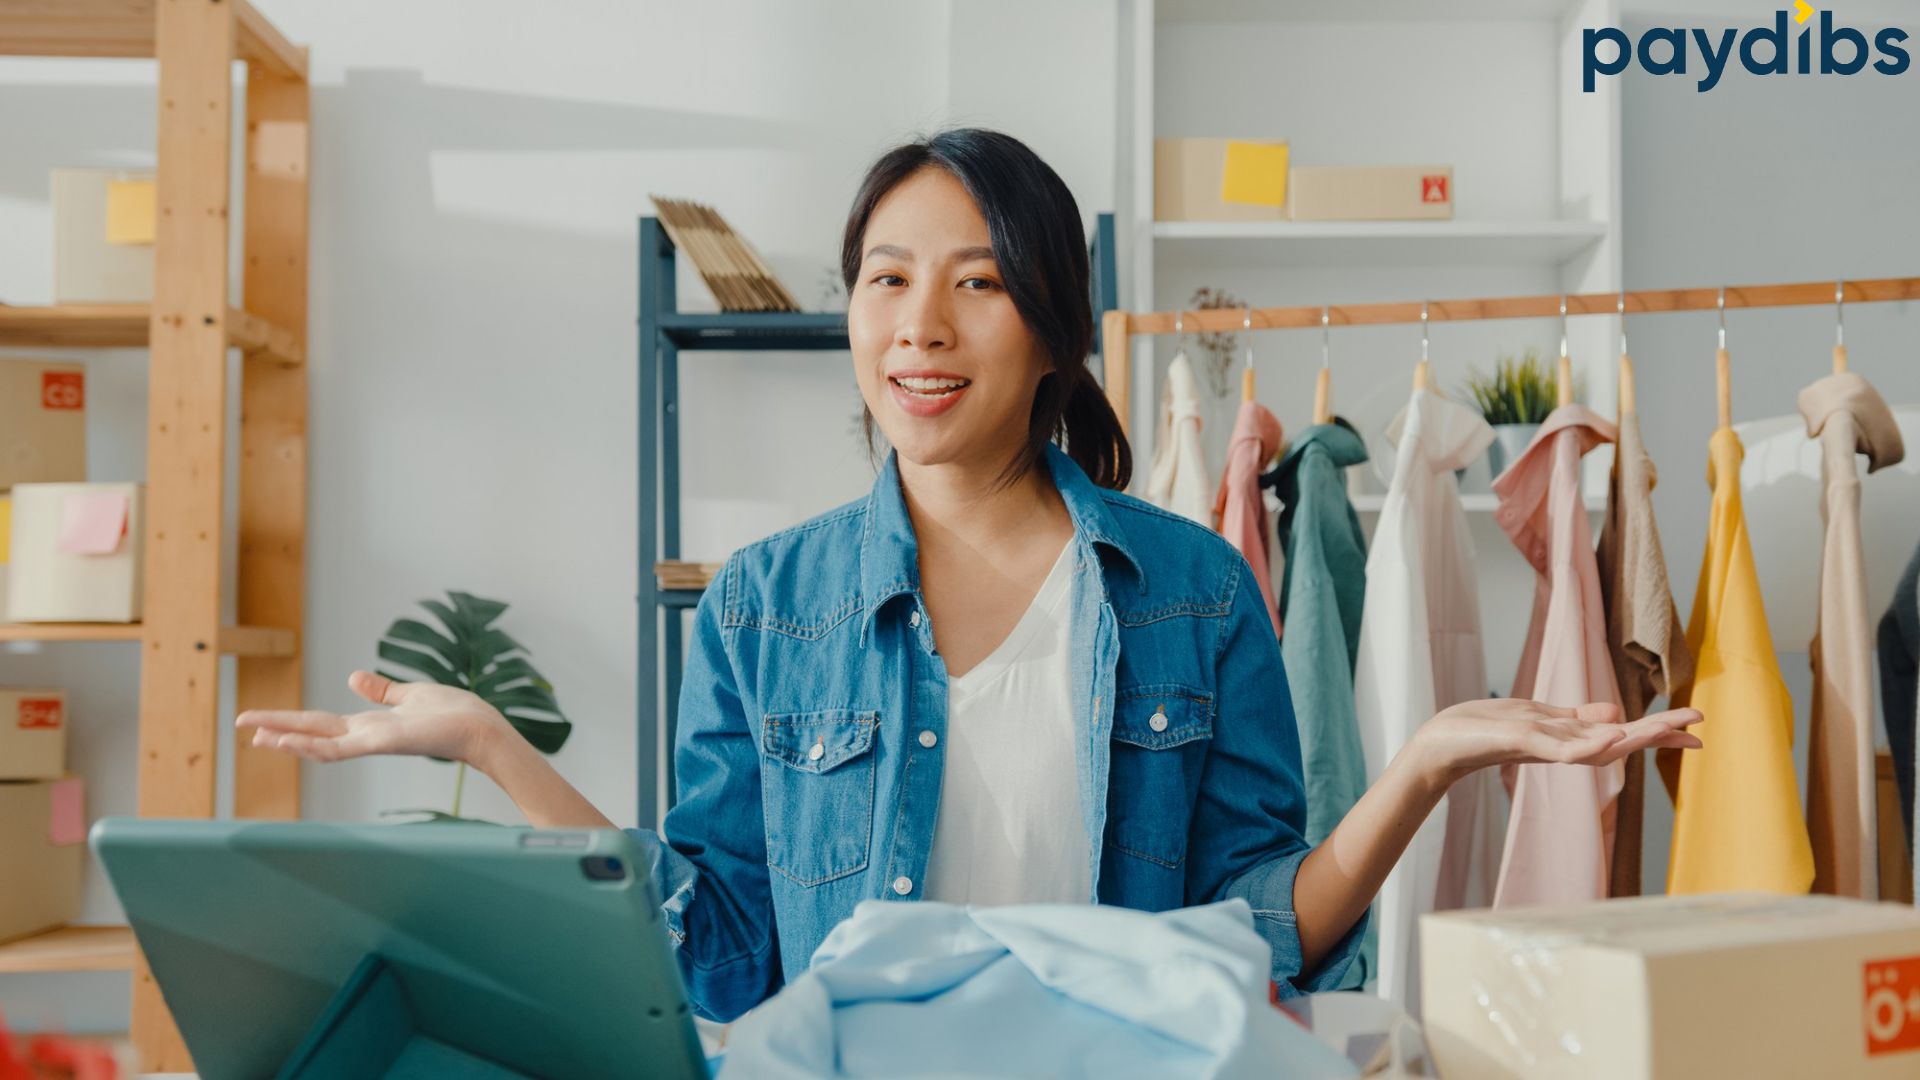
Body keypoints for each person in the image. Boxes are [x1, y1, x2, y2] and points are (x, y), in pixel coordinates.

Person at [238, 128, 1702, 1023]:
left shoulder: (1191, 589)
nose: (919, 325)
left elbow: (1257, 934)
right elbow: (716, 945)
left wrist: (1425, 764)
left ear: (1055, 327)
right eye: (885, 276)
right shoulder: (766, 603)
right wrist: (493, 747)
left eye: (977, 280)